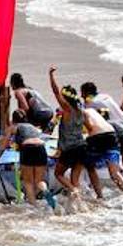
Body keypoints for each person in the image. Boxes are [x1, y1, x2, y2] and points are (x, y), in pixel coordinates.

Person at [0, 110, 50, 205]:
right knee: (39, 181)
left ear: (13, 120)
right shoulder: (33, 127)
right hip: (41, 148)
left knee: (28, 182)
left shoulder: (13, 127)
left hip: (28, 149)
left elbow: (3, 145)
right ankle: (45, 190)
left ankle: (33, 205)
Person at [48, 66, 88, 204]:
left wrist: (51, 75)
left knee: (58, 174)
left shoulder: (67, 109)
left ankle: (73, 191)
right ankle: (78, 204)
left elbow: (55, 92)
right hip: (82, 147)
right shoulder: (81, 111)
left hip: (70, 149)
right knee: (74, 179)